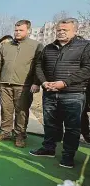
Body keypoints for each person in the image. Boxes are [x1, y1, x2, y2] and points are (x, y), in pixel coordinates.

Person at [31, 18, 90, 168]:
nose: (61, 32)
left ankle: (68, 156)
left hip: (73, 94)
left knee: (72, 127)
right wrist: (44, 82)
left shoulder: (85, 46)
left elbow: (87, 69)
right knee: (50, 123)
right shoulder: (49, 47)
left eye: (65, 30)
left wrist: (64, 83)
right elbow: (39, 66)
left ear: (75, 31)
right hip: (50, 92)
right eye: (59, 30)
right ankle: (48, 149)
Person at [0, 20, 43, 148]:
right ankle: (6, 132)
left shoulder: (36, 46)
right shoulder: (5, 46)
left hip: (24, 85)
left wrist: (36, 82)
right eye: (16, 30)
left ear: (28, 31)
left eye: (21, 30)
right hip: (4, 84)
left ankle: (20, 135)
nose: (17, 32)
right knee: (6, 110)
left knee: (21, 111)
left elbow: (39, 65)